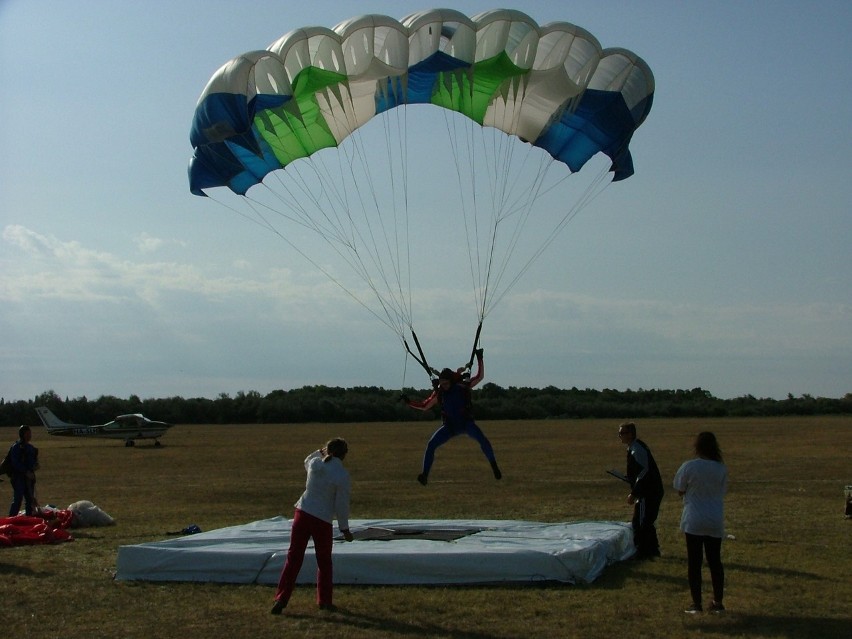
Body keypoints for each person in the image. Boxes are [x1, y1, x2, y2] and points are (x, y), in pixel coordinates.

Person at [271, 438, 353, 615]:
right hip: (322, 520)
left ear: (328, 450)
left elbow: (307, 460)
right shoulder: (342, 475)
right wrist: (344, 528)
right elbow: (341, 505)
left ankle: (281, 598)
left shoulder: (316, 464)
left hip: (302, 513)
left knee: (293, 558)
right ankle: (324, 600)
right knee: (324, 561)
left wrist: (320, 452)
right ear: (344, 454)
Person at [403, 348, 501, 485]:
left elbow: (480, 377)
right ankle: (424, 475)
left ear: (451, 381)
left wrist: (480, 358)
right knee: (431, 445)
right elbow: (425, 406)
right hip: (450, 427)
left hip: (466, 424)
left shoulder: (462, 387)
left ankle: (494, 466)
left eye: (446, 384)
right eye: (441, 384)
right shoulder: (440, 393)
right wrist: (409, 402)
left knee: (483, 440)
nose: (444, 386)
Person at [673, 431, 728, 614]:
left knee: (694, 563)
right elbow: (722, 490)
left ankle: (696, 604)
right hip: (714, 518)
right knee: (715, 561)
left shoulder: (689, 466)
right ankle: (718, 602)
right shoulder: (720, 468)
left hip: (694, 519)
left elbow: (680, 489)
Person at [618, 421, 664, 559]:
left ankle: (643, 551)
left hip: (647, 492)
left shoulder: (637, 448)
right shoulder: (634, 447)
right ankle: (652, 550)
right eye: (619, 433)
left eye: (622, 433)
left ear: (631, 434)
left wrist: (634, 492)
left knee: (640, 522)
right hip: (649, 490)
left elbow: (644, 471)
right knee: (645, 520)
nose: (620, 436)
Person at [8, 425, 39, 516]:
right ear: (22, 434)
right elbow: (15, 463)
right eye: (27, 434)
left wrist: (35, 466)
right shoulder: (16, 447)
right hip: (19, 477)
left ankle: (29, 521)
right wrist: (26, 472)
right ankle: (11, 521)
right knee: (18, 499)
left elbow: (33, 461)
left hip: (29, 478)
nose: (30, 435)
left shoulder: (31, 448)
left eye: (30, 433)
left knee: (30, 500)